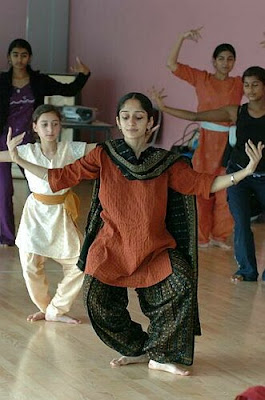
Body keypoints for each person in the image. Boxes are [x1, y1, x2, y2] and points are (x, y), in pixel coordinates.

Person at [6, 93, 263, 374]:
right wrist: (19, 158)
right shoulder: (104, 154)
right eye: (126, 116)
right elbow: (58, 177)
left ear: (150, 123)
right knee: (96, 300)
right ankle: (138, 348)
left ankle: (161, 355)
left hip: (154, 248)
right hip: (110, 247)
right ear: (117, 121)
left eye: (139, 116)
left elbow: (201, 184)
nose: (132, 122)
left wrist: (246, 171)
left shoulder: (165, 162)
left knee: (181, 282)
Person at [151, 65, 265, 282]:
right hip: (240, 175)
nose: (250, 90)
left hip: (263, 177)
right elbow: (195, 115)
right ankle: (246, 271)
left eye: (255, 85)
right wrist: (164, 108)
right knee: (241, 222)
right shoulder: (236, 111)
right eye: (247, 85)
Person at [0, 104, 95, 323]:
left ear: (61, 126)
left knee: (81, 263)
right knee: (31, 266)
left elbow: (100, 148)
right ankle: (46, 308)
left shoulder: (70, 149)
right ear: (35, 127)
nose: (50, 129)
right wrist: (13, 153)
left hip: (61, 213)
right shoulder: (26, 151)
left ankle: (56, 309)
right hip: (35, 214)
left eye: (54, 124)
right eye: (44, 124)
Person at [0, 38, 90, 247]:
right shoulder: (2, 81)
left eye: (24, 55)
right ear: (9, 57)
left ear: (29, 57)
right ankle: (6, 237)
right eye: (15, 55)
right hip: (4, 141)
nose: (19, 59)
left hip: (31, 143)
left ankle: (47, 233)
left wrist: (84, 75)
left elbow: (68, 90)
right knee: (4, 189)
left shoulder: (38, 81)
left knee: (44, 188)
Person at [167, 27, 244, 249]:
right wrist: (181, 36)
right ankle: (201, 237)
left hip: (229, 144)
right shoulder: (202, 78)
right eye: (221, 58)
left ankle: (221, 235)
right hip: (205, 142)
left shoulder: (239, 83)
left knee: (227, 192)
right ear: (214, 61)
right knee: (202, 190)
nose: (225, 63)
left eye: (230, 59)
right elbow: (172, 65)